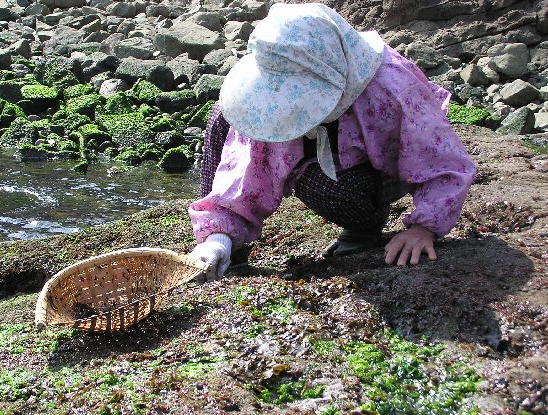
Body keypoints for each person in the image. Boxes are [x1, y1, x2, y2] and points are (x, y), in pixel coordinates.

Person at [187, 3, 476, 281]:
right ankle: (225, 240)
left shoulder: (393, 88)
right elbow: (250, 166)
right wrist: (218, 239)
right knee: (224, 115)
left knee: (322, 185)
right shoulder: (272, 100)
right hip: (333, 151)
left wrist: (425, 227)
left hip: (373, 170)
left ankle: (364, 226)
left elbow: (443, 162)